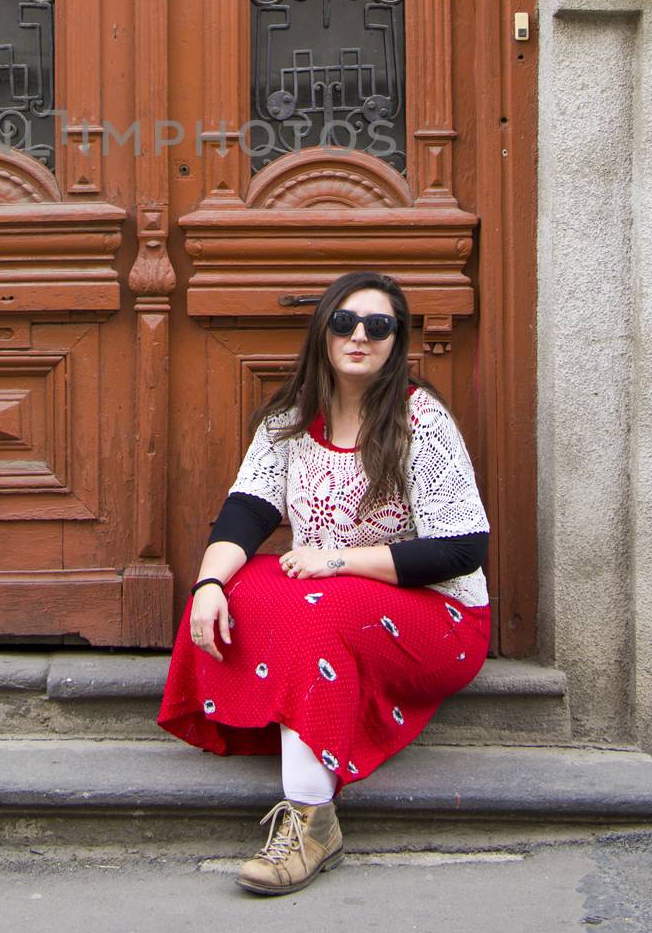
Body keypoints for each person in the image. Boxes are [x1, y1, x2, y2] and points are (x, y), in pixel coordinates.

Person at [158, 269, 491, 896]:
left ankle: (311, 822)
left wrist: (340, 560)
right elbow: (248, 510)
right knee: (244, 584)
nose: (359, 335)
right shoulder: (291, 418)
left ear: (397, 340)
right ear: (323, 332)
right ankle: (294, 724)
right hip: (329, 591)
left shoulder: (422, 420)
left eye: (379, 325)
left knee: (311, 613)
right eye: (345, 321)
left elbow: (463, 547)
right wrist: (207, 587)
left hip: (438, 615)